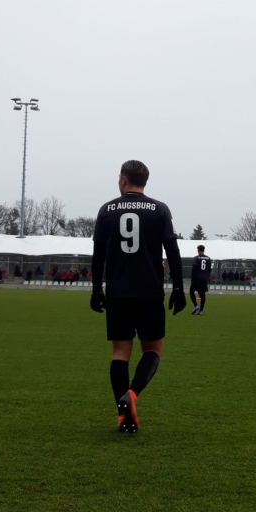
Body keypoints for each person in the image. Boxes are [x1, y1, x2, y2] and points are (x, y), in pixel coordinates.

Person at [90, 159, 186, 434]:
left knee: (120, 354)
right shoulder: (159, 209)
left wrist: (96, 290)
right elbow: (172, 251)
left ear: (123, 180)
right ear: (145, 181)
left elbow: (98, 255)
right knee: (152, 351)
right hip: (149, 293)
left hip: (118, 293)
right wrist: (178, 288)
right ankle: (131, 395)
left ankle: (124, 419)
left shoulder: (106, 210)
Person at [190, 244, 212, 315]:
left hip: (196, 278)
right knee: (203, 295)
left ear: (198, 250)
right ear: (204, 250)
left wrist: (192, 278)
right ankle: (201, 311)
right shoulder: (208, 258)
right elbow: (209, 270)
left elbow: (194, 269)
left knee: (191, 292)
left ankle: (196, 306)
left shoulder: (196, 258)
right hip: (204, 279)